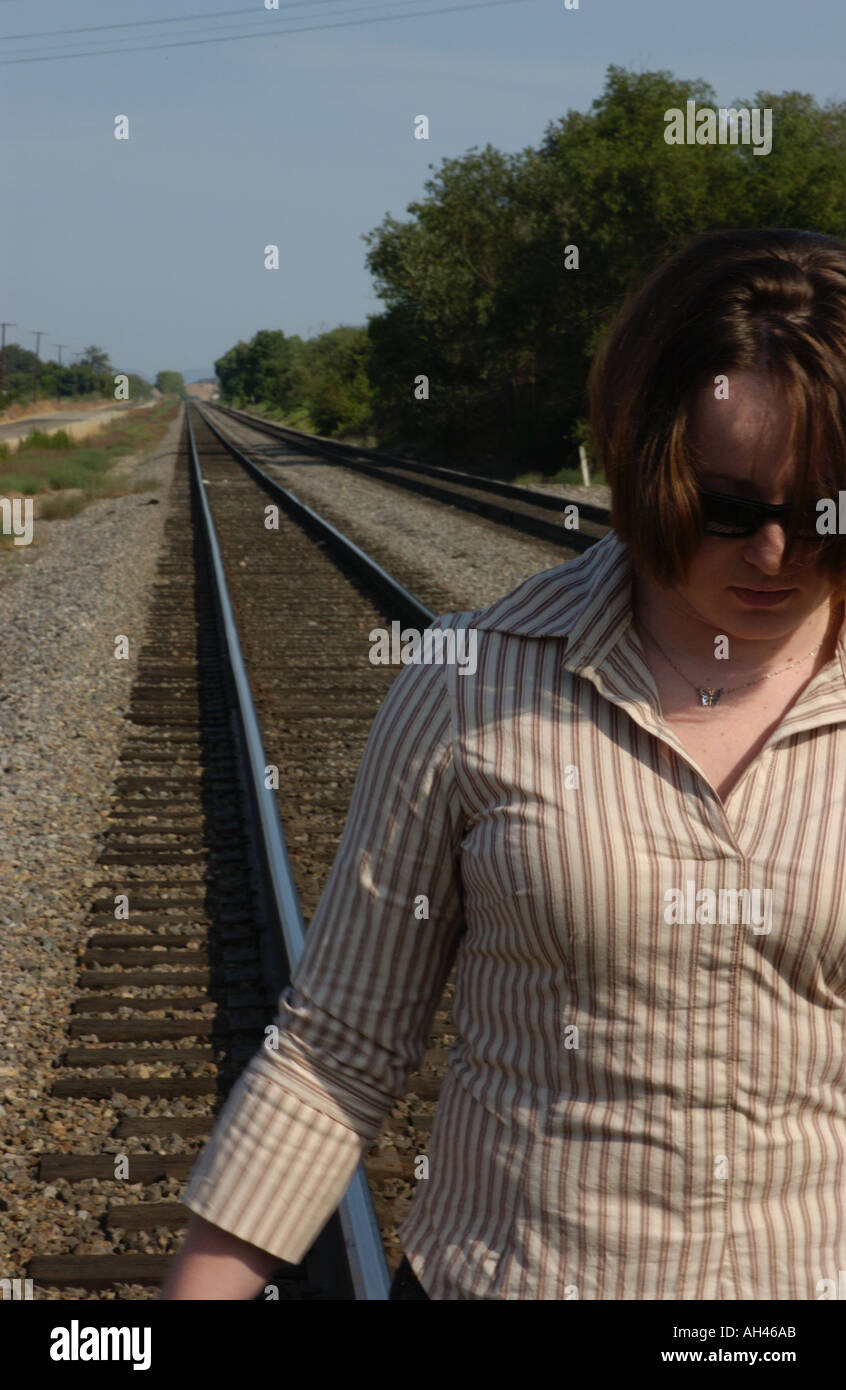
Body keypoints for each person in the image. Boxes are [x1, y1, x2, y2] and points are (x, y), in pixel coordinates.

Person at [161, 227, 846, 1300]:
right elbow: (337, 1047)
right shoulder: (471, 683)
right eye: (726, 507)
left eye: (822, 512)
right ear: (643, 457)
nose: (774, 553)